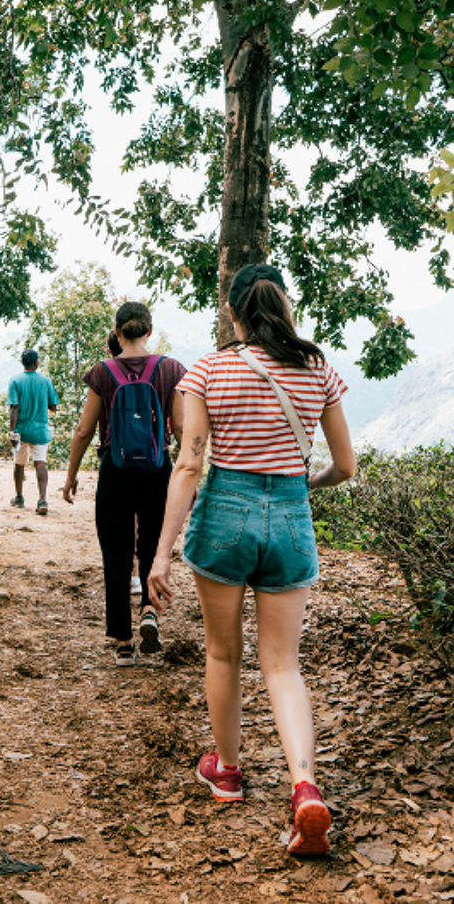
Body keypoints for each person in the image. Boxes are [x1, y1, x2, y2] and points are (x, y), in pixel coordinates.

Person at [145, 264, 359, 858]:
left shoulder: (208, 370)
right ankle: (305, 788)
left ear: (232, 312)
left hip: (224, 516)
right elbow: (346, 466)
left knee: (223, 651)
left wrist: (161, 553)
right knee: (283, 665)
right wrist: (301, 485)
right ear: (284, 306)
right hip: (290, 516)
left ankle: (228, 771)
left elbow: (189, 464)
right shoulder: (317, 369)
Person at [61, 301, 184, 667]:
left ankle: (124, 643)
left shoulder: (103, 371)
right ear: (150, 330)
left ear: (116, 331)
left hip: (115, 470)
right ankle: (149, 609)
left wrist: (71, 476)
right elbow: (181, 428)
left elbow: (83, 430)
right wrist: (186, 474)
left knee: (116, 555)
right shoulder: (171, 369)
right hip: (158, 469)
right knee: (152, 546)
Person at [5, 349, 60, 515]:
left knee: (19, 464)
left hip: (21, 430)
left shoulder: (15, 380)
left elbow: (14, 407)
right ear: (36, 362)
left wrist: (12, 431)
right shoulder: (45, 381)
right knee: (40, 463)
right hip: (40, 432)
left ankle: (19, 497)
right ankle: (42, 500)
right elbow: (53, 406)